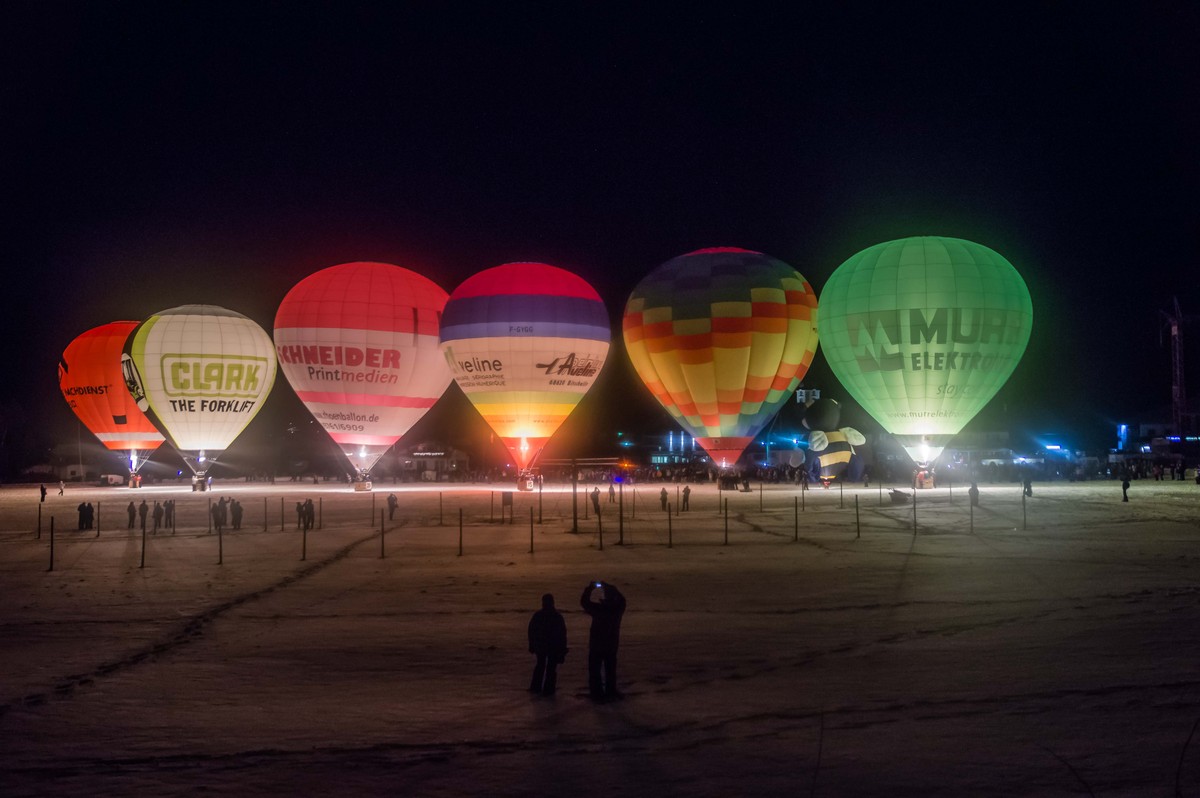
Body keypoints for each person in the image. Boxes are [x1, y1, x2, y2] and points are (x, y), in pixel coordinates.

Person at [580, 581, 626, 701]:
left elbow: (584, 603)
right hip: (610, 645)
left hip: (597, 645)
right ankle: (610, 691)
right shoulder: (616, 610)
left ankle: (597, 693)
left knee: (595, 671)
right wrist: (614, 589)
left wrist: (589, 589)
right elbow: (623, 601)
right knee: (610, 670)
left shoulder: (599, 609)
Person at [527, 593, 568, 696]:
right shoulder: (557, 616)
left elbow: (531, 631)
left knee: (542, 666)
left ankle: (537, 688)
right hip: (550, 646)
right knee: (549, 668)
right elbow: (562, 634)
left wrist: (531, 644)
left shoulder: (539, 615)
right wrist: (562, 649)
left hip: (543, 646)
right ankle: (548, 690)